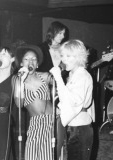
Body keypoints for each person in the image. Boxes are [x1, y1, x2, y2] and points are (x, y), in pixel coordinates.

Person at [50, 39, 95, 160]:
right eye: (63, 56)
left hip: (80, 128)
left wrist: (58, 78)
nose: (64, 59)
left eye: (68, 56)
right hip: (74, 126)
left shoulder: (82, 75)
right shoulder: (74, 75)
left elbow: (73, 101)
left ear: (79, 57)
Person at [14, 44, 54, 160]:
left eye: (34, 59)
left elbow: (63, 84)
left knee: (47, 156)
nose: (30, 62)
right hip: (35, 124)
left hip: (51, 120)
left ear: (37, 64)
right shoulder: (17, 81)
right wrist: (21, 81)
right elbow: (18, 104)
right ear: (21, 64)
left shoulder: (45, 77)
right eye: (26, 59)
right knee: (30, 156)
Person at [38, 21, 69, 159]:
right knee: (45, 126)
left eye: (64, 33)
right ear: (53, 32)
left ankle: (57, 155)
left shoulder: (65, 49)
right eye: (60, 33)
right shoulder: (41, 48)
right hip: (44, 91)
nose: (62, 36)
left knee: (59, 125)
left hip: (60, 91)